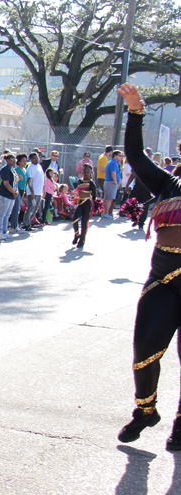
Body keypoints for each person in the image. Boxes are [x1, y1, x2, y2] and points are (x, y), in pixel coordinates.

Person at [116, 83, 181, 450]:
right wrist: (136, 112)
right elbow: (135, 154)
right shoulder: (167, 182)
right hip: (163, 282)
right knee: (144, 351)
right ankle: (146, 411)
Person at [71, 163, 97, 250]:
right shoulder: (80, 181)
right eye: (84, 172)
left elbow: (94, 195)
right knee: (74, 220)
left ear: (91, 173)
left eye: (88, 172)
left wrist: (93, 203)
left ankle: (82, 240)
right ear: (82, 172)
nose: (86, 173)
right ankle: (77, 234)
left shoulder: (91, 183)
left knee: (84, 222)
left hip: (87, 204)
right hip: (80, 203)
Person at [0, 154, 18, 241]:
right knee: (2, 214)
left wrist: (15, 192)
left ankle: (5, 231)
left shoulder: (13, 170)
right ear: (7, 160)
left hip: (12, 195)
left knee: (8, 214)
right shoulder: (5, 169)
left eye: (15, 159)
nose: (14, 161)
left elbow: (15, 182)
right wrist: (13, 192)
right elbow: (6, 183)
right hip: (5, 194)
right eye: (12, 159)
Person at [23, 152, 45, 230]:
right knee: (31, 208)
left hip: (39, 192)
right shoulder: (30, 168)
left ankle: (30, 223)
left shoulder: (39, 166)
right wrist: (32, 193)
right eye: (34, 158)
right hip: (33, 192)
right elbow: (30, 181)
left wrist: (43, 190)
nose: (36, 159)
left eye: (37, 157)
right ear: (31, 159)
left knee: (35, 209)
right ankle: (26, 224)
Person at [103, 150, 122, 219]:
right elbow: (113, 172)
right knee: (110, 198)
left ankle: (104, 213)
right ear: (115, 155)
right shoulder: (113, 163)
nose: (120, 157)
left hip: (108, 182)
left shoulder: (112, 162)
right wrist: (115, 181)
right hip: (111, 182)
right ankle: (106, 213)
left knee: (107, 198)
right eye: (119, 155)